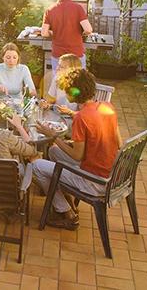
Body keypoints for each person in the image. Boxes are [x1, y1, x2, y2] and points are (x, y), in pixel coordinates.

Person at [32, 68, 122, 231]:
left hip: (94, 180)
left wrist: (52, 136)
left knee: (37, 166)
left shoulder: (81, 117)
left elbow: (78, 156)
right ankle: (66, 197)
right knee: (52, 152)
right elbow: (119, 143)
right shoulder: (107, 106)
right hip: (111, 173)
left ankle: (68, 214)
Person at [41, 0, 93, 70]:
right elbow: (88, 29)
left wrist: (52, 33)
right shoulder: (78, 8)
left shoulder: (49, 10)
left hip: (58, 54)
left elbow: (44, 33)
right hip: (76, 54)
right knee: (78, 81)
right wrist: (84, 32)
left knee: (59, 81)